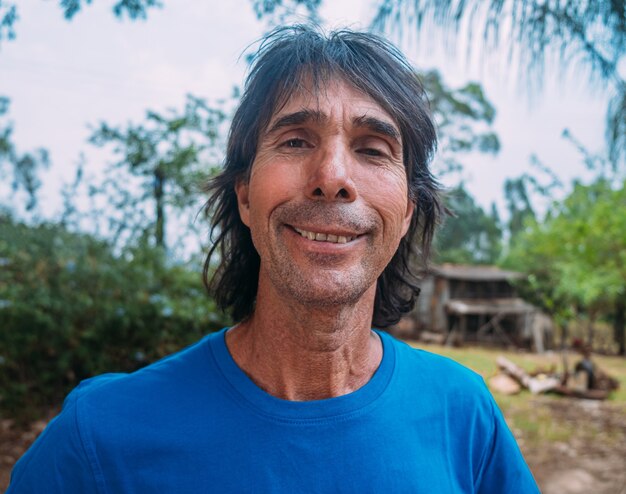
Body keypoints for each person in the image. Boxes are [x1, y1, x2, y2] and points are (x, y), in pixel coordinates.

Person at [8, 25, 539, 493]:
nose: (333, 177)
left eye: (373, 149)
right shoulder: (102, 438)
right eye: (294, 140)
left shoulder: (463, 415)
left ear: (406, 212)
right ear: (243, 194)